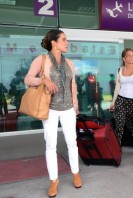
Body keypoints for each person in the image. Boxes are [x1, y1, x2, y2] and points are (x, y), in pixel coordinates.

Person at [24, 29, 83, 197]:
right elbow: (27, 79)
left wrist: (75, 106)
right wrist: (43, 79)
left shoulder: (69, 63)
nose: (67, 42)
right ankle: (53, 180)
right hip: (49, 109)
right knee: (51, 145)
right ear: (54, 43)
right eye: (64, 39)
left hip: (68, 109)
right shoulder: (41, 60)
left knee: (72, 142)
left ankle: (75, 173)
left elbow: (73, 87)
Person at [109, 48, 133, 157]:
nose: (131, 57)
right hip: (121, 100)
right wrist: (113, 102)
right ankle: (116, 148)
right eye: (129, 55)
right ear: (124, 58)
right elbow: (117, 87)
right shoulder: (120, 70)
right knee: (119, 125)